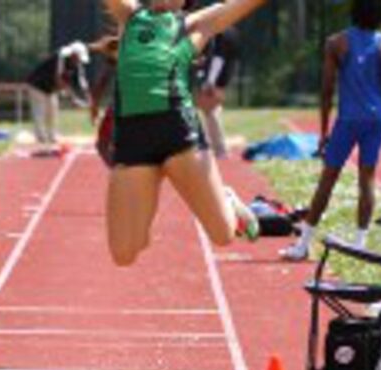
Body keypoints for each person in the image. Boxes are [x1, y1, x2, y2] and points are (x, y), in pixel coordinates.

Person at [103, 0, 266, 266]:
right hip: (132, 140)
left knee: (223, 235)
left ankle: (227, 199)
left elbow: (240, 5)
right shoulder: (130, 15)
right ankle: (149, 198)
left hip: (178, 134)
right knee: (124, 254)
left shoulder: (195, 25)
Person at [281, 0, 381, 261]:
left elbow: (326, 90)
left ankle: (303, 245)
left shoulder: (336, 43)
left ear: (353, 12)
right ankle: (360, 244)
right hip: (375, 120)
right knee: (367, 179)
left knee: (328, 179)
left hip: (347, 120)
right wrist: (378, 108)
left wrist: (324, 131)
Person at [26, 41, 91, 146]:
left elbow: (83, 83)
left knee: (52, 111)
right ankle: (41, 138)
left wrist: (90, 100)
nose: (79, 61)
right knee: (40, 112)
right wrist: (73, 98)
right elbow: (59, 80)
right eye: (78, 58)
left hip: (50, 88)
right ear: (73, 54)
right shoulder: (60, 57)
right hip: (37, 85)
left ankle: (52, 136)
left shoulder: (77, 64)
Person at [195, 26, 240, 159]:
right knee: (211, 113)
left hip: (214, 79)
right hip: (220, 77)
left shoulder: (222, 33)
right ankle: (212, 146)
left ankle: (218, 150)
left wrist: (210, 82)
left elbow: (218, 59)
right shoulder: (231, 31)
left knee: (211, 112)